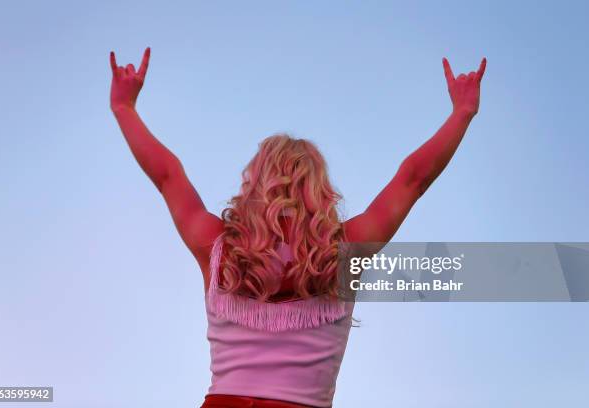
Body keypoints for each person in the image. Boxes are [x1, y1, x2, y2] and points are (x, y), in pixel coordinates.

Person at [109, 47, 486, 408]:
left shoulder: (217, 247)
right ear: (318, 187)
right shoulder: (345, 251)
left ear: (254, 183)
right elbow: (413, 180)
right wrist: (462, 112)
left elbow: (167, 175)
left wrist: (124, 108)